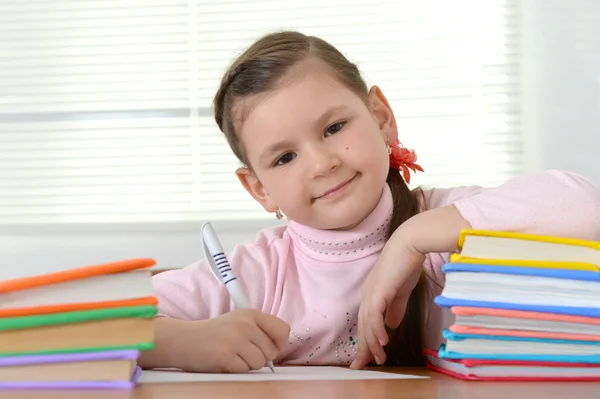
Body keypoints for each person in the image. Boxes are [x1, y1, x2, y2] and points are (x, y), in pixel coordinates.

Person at [137, 31, 600, 373]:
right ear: (259, 188)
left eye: (334, 128)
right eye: (285, 157)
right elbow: (75, 328)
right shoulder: (259, 272)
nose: (321, 164)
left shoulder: (442, 225)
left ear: (381, 118)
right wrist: (182, 342)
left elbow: (583, 203)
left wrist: (409, 240)